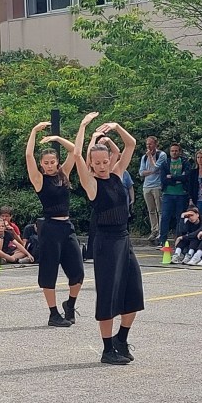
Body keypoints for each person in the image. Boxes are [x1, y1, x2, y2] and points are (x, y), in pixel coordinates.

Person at [72, 117, 143, 365]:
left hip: (124, 240)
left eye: (105, 161)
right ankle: (106, 349)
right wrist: (83, 128)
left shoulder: (117, 174)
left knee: (133, 292)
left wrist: (115, 129)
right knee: (108, 294)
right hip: (106, 242)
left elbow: (131, 144)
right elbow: (77, 155)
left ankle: (121, 340)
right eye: (97, 162)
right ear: (92, 164)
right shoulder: (91, 184)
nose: (102, 166)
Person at [28, 116, 89, 327]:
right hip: (50, 227)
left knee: (78, 273)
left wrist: (57, 137)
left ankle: (69, 305)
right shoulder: (39, 180)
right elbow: (28, 155)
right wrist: (34, 132)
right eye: (46, 163)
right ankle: (53, 314)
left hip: (67, 227)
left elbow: (75, 151)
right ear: (42, 165)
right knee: (49, 272)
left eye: (53, 162)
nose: (50, 165)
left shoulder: (64, 174)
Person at [158, 143, 189, 246]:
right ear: (169, 152)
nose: (174, 152)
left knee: (180, 217)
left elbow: (186, 178)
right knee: (165, 217)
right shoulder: (165, 163)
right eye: (172, 151)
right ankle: (162, 241)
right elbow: (163, 179)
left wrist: (172, 177)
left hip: (182, 194)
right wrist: (177, 179)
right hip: (168, 194)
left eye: (176, 150)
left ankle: (179, 241)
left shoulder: (185, 162)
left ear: (179, 152)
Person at [138, 136, 168, 245]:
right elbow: (141, 172)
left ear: (156, 144)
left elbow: (156, 168)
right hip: (147, 186)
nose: (148, 146)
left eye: (150, 144)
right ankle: (154, 230)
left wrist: (151, 158)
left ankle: (161, 231)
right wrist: (151, 170)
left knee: (160, 210)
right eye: (147, 144)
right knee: (151, 210)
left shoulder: (162, 155)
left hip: (157, 185)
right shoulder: (144, 157)